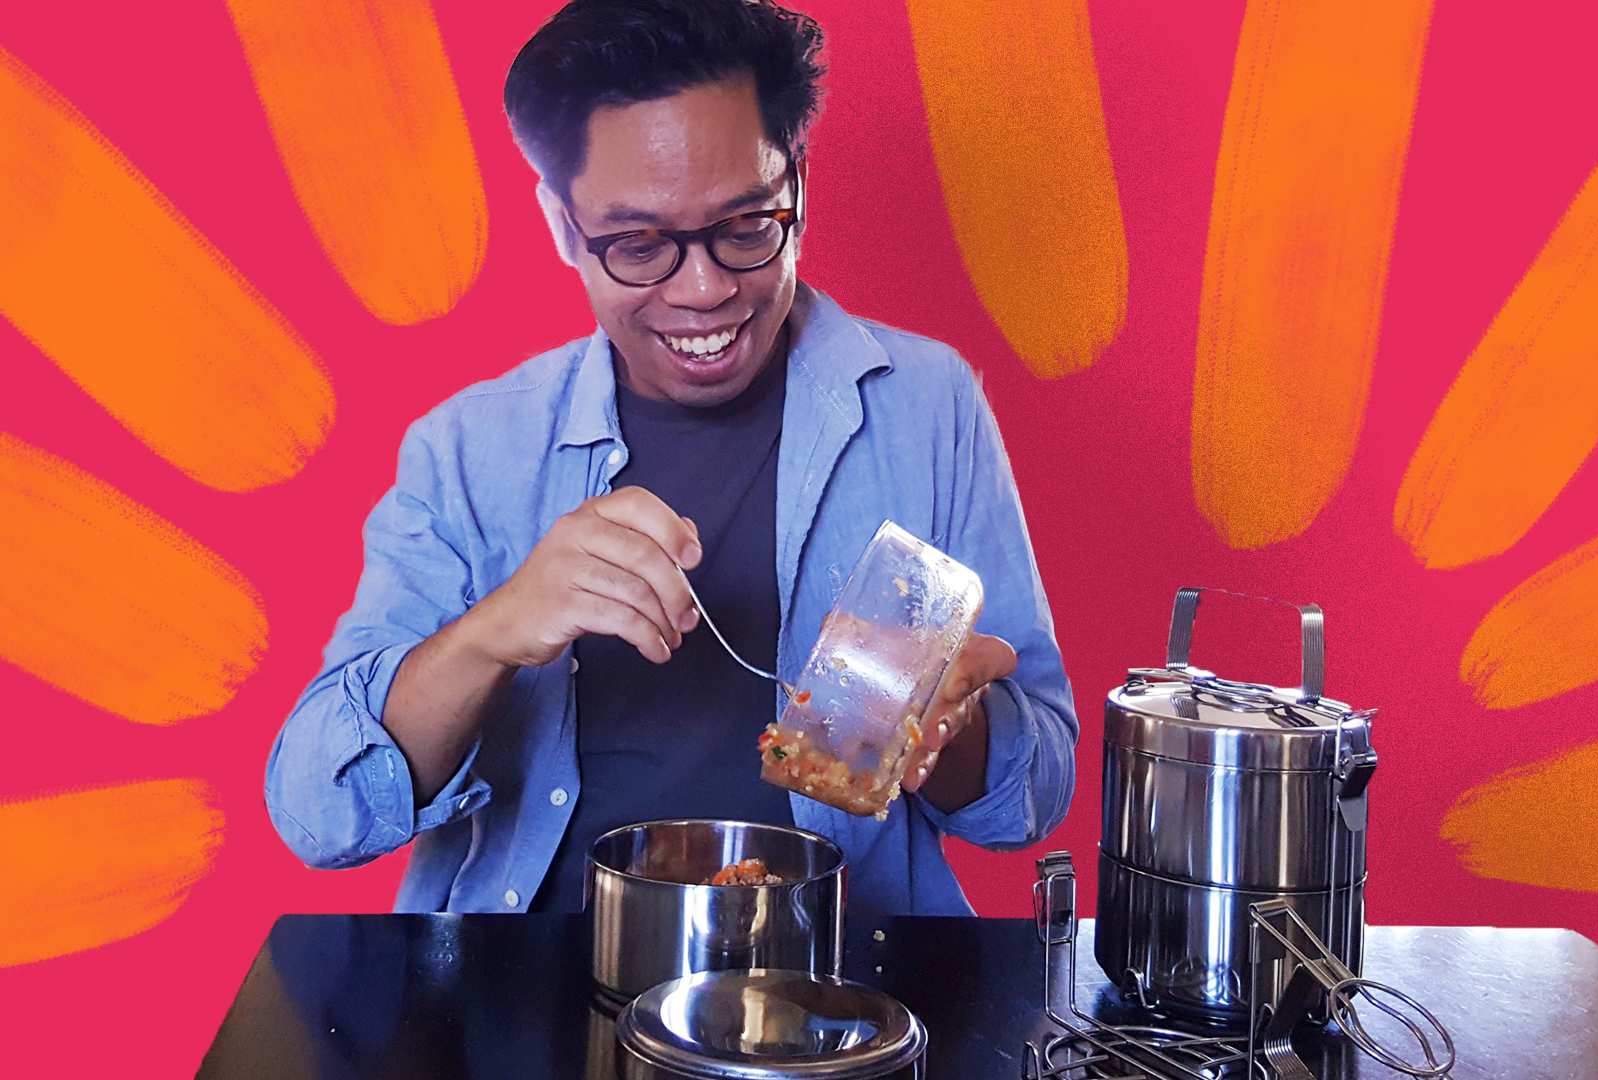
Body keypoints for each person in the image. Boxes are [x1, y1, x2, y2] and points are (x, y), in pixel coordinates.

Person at [263, 0, 1076, 921]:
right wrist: (495, 629)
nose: (704, 291)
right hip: (539, 968)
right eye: (640, 244)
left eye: (744, 226)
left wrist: (947, 731)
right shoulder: (467, 450)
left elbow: (1031, 803)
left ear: (797, 186)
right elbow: (319, 817)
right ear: (565, 229)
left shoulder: (930, 407)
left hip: (840, 975)